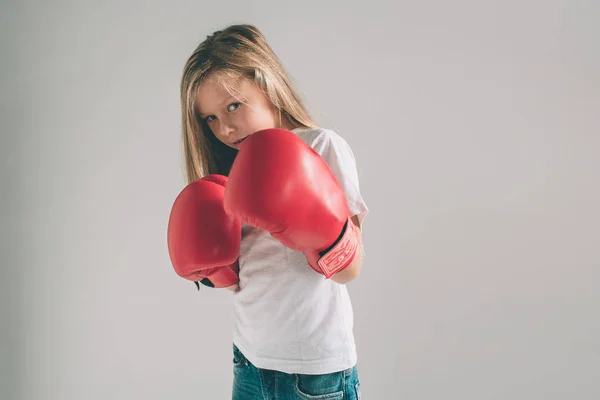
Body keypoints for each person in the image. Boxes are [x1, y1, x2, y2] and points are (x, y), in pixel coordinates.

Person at [167, 24, 368, 399]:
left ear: (266, 83)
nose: (225, 127)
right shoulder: (230, 173)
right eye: (210, 118)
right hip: (250, 360)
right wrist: (216, 271)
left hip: (313, 372)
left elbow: (350, 270)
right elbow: (246, 277)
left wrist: (315, 226)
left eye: (233, 106)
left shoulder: (321, 146)